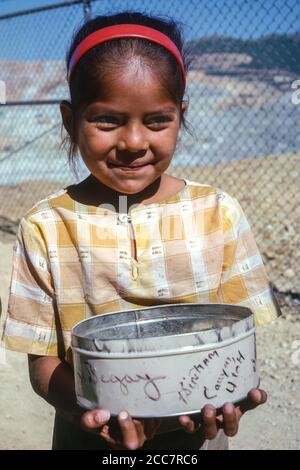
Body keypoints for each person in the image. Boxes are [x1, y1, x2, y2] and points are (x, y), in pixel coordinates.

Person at [1, 11, 281, 450]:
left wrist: (234, 395)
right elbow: (43, 367)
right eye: (107, 121)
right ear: (69, 120)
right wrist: (88, 415)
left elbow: (239, 345)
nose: (134, 142)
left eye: (157, 121)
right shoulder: (47, 226)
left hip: (196, 440)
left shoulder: (218, 213)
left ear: (181, 115)